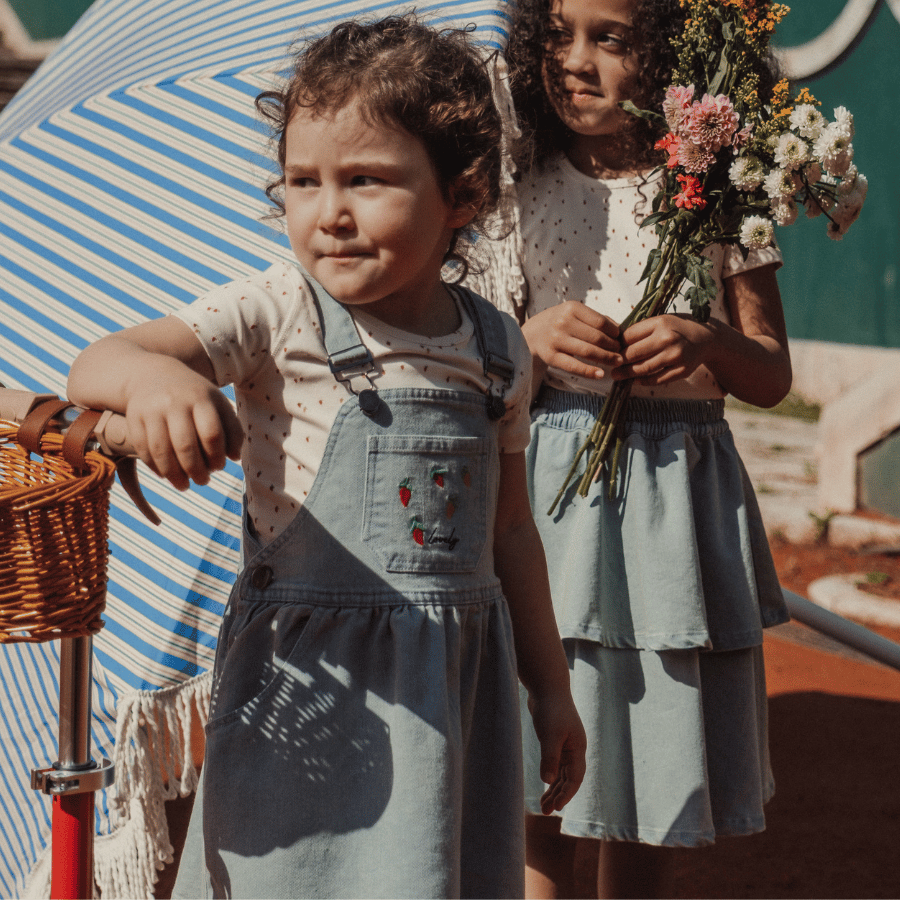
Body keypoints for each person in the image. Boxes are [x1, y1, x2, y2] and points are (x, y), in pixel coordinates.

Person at [67, 16, 586, 900]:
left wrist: (552, 688)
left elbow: (510, 534)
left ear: (462, 194)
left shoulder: (499, 346)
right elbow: (98, 362)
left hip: (449, 695)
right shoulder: (277, 309)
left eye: (367, 179)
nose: (328, 213)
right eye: (302, 181)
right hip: (304, 697)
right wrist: (156, 383)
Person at [466, 0, 793, 896]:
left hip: (671, 510)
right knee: (543, 776)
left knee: (642, 775)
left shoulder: (724, 193)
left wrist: (706, 341)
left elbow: (770, 373)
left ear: (670, 58)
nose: (576, 61)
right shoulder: (511, 191)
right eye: (559, 36)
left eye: (609, 38)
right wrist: (525, 340)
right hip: (547, 500)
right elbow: (470, 358)